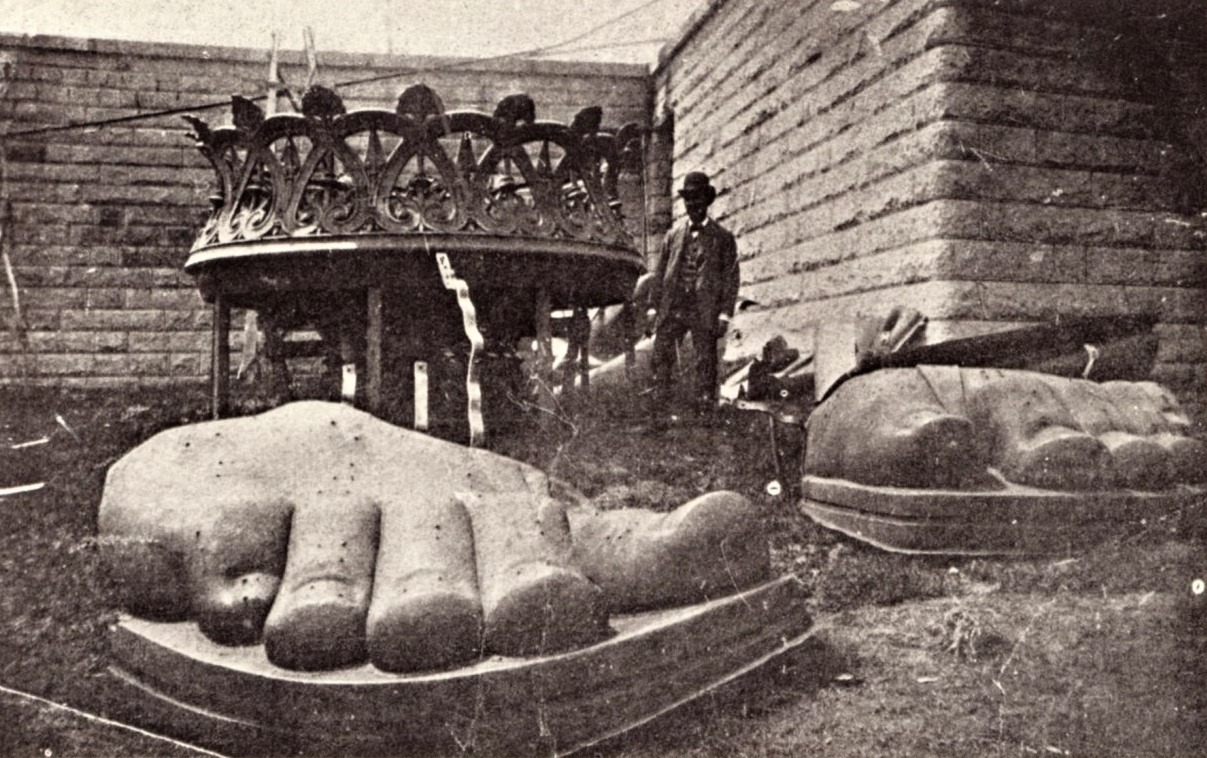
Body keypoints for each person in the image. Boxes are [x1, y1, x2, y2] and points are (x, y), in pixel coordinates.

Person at [646, 171, 740, 411]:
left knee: (705, 360)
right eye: (688, 200)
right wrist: (652, 307)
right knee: (661, 355)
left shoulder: (723, 238)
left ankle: (705, 410)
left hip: (703, 308)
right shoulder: (672, 236)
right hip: (674, 306)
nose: (693, 205)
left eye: (697, 199)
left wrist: (725, 314)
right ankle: (660, 406)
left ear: (707, 201)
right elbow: (659, 274)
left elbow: (731, 278)